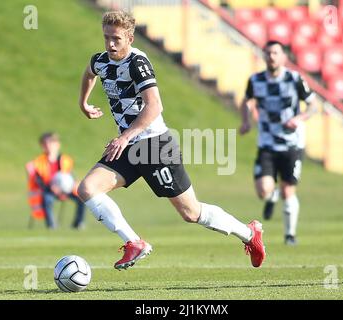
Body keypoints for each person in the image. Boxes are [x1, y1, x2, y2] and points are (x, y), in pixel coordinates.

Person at [77, 10, 265, 270]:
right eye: (107, 37)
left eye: (116, 39)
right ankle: (134, 243)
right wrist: (83, 102)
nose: (110, 44)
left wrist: (125, 136)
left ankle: (249, 233)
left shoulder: (137, 63)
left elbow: (154, 106)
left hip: (155, 146)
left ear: (130, 38)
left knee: (191, 213)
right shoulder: (101, 60)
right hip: (128, 146)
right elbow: (89, 72)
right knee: (87, 189)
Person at [239, 40, 317, 245]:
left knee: (288, 190)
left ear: (283, 56)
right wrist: (246, 121)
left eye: (275, 53)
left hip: (292, 144)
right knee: (262, 190)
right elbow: (247, 101)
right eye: (267, 53)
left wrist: (299, 119)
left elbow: (313, 106)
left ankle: (290, 235)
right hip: (267, 143)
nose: (271, 56)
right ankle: (271, 196)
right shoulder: (255, 80)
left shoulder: (294, 79)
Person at [26, 132, 86, 229]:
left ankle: (78, 223)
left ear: (57, 145)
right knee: (47, 199)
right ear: (42, 146)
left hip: (66, 189)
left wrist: (69, 187)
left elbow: (70, 176)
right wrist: (51, 188)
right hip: (49, 190)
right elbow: (38, 181)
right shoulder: (38, 162)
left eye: (51, 143)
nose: (49, 146)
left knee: (82, 197)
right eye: (46, 144)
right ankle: (51, 225)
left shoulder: (66, 160)